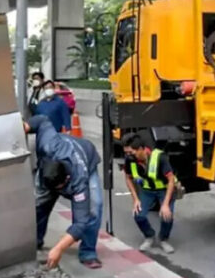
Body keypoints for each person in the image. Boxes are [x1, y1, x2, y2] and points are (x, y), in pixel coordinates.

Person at [25, 114, 103, 269]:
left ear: (65, 181)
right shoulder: (49, 144)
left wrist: (59, 248)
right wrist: (24, 126)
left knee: (94, 208)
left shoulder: (79, 180)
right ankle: (35, 241)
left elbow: (80, 222)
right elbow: (42, 121)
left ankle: (88, 252)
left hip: (87, 160)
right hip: (50, 171)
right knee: (38, 205)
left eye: (58, 190)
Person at [122, 133, 177, 254]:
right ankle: (149, 236)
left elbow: (171, 180)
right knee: (138, 215)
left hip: (164, 189)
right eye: (126, 153)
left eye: (131, 152)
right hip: (147, 191)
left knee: (167, 215)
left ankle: (163, 239)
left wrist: (165, 204)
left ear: (141, 149)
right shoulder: (130, 160)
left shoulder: (159, 157)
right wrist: (135, 199)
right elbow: (128, 178)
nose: (128, 156)